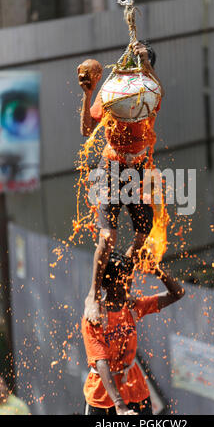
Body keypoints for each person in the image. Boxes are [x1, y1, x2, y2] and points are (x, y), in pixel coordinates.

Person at [79, 41, 165, 324]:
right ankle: (93, 294)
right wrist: (89, 92)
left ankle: (120, 284)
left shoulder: (150, 91)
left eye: (141, 64)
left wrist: (146, 64)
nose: (134, 70)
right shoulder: (112, 92)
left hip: (140, 169)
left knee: (143, 234)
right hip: (112, 167)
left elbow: (156, 88)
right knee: (108, 237)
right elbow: (86, 130)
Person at [81, 252, 185, 415]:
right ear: (106, 284)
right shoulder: (94, 317)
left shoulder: (132, 307)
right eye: (121, 282)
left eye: (128, 280)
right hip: (103, 397)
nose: (126, 286)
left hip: (135, 390)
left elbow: (177, 293)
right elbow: (101, 362)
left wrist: (157, 269)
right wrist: (119, 405)